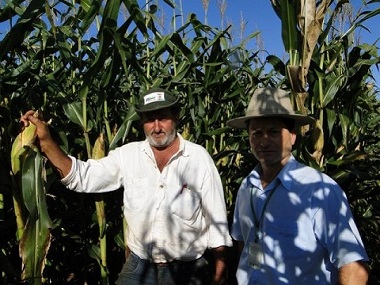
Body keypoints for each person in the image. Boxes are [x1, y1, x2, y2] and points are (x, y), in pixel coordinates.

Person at [21, 87, 233, 285]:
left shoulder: (198, 158)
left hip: (186, 269)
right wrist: (47, 143)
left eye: (163, 118)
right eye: (150, 119)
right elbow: (83, 176)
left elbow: (216, 219)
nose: (157, 127)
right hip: (139, 264)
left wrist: (220, 271)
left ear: (176, 117)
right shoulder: (128, 155)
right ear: (141, 121)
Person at [227, 87, 369, 285]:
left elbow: (353, 267)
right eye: (257, 133)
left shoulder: (319, 190)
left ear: (293, 136)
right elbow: (243, 243)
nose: (264, 141)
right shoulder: (246, 187)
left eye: (273, 132)